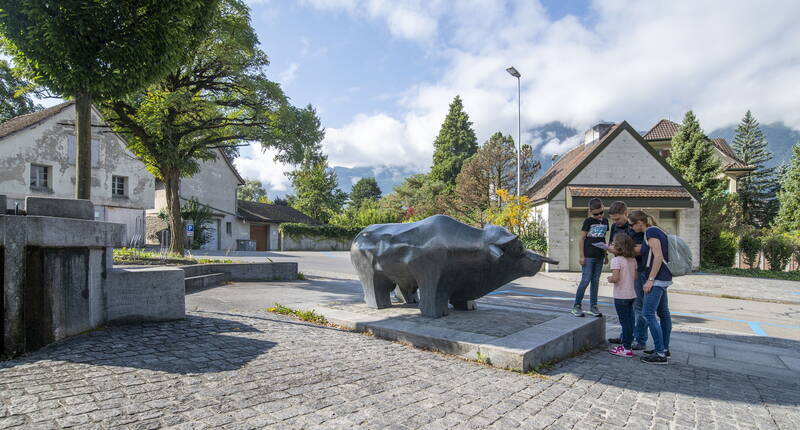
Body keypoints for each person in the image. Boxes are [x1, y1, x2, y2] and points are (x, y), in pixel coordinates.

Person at [629, 210, 672, 365]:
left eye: (632, 224)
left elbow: (658, 256)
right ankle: (664, 348)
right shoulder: (658, 230)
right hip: (663, 278)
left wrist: (650, 280)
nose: (632, 228)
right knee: (663, 313)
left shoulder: (651, 232)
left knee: (648, 313)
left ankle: (660, 353)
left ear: (640, 223)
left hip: (657, 279)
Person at [606, 201, 647, 350]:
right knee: (628, 312)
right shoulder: (615, 227)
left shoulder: (634, 227)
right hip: (624, 266)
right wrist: (611, 248)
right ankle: (626, 338)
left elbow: (641, 249)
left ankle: (640, 340)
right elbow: (612, 243)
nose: (615, 222)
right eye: (613, 219)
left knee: (637, 307)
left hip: (637, 267)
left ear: (626, 213)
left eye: (618, 219)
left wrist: (620, 249)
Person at [571, 198, 608, 317]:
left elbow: (603, 239)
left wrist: (606, 254)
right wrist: (581, 256)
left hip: (600, 256)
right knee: (586, 280)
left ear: (603, 208)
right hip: (588, 256)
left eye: (601, 213)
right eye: (596, 214)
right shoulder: (588, 221)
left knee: (595, 281)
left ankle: (593, 307)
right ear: (591, 211)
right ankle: (577, 306)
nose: (599, 216)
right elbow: (581, 238)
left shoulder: (606, 221)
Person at [607, 233, 638, 357]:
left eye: (613, 244)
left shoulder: (616, 260)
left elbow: (615, 278)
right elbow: (635, 277)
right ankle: (628, 345)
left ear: (619, 247)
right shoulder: (633, 260)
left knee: (624, 322)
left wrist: (609, 278)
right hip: (631, 294)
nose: (611, 246)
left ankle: (626, 348)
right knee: (630, 321)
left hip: (621, 296)